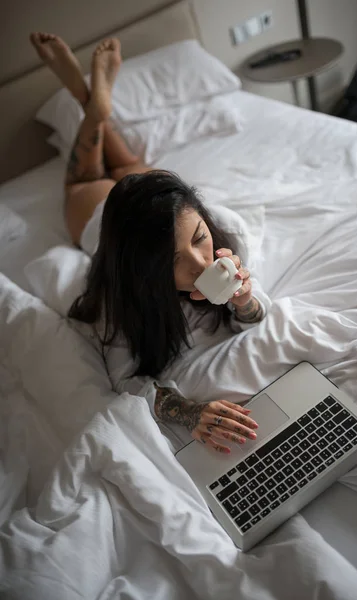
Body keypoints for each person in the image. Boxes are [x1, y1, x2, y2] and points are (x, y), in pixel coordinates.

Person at [31, 33, 268, 453]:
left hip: (152, 205)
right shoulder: (119, 299)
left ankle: (92, 101)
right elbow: (127, 378)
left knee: (127, 165)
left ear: (203, 218)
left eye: (200, 238)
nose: (201, 263)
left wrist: (243, 298)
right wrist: (190, 411)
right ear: (142, 267)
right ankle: (90, 103)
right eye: (173, 260)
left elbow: (256, 314)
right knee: (84, 181)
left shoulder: (222, 232)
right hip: (100, 211)